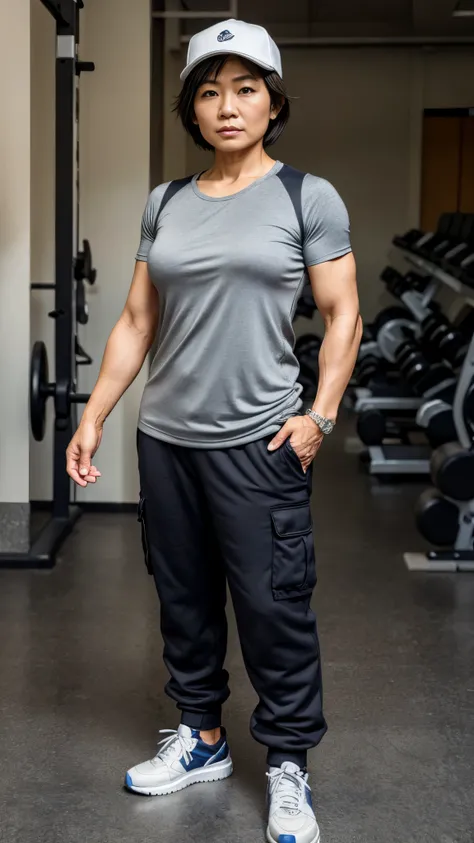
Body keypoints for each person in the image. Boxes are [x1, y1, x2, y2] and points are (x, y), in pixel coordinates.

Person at [67, 17, 362, 843]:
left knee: (274, 608)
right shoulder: (165, 203)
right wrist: (93, 417)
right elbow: (135, 320)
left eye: (245, 89)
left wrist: (320, 417)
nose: (227, 106)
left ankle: (289, 765)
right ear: (192, 110)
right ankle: (201, 738)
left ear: (272, 102)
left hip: (261, 443)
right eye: (209, 91)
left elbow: (344, 317)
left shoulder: (308, 196)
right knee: (184, 598)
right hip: (167, 441)